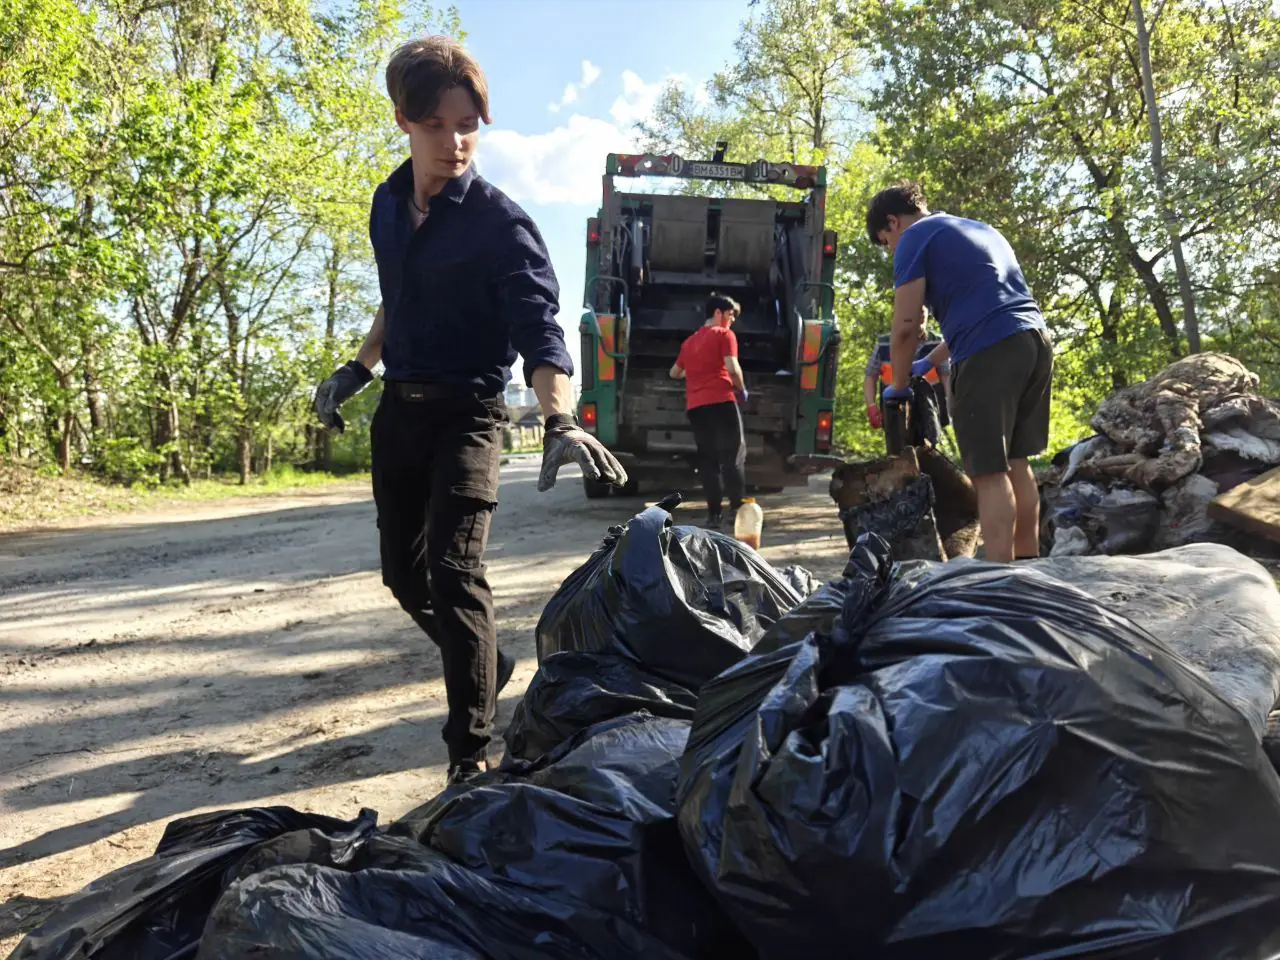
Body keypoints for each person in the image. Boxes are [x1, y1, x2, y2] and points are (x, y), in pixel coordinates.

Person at [311, 36, 626, 784]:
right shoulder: (388, 204)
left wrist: (558, 418)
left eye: (469, 125)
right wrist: (357, 369)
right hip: (401, 411)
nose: (455, 142)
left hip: (471, 415)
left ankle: (469, 753)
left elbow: (540, 332)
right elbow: (399, 297)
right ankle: (487, 659)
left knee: (456, 575)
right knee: (403, 577)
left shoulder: (500, 224)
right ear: (404, 121)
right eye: (438, 125)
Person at [866, 181, 1052, 563]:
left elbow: (904, 326)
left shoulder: (915, 238)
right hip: (1033, 341)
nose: (891, 251)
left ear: (893, 222)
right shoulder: (981, 230)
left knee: (988, 472)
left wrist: (899, 385)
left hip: (990, 353)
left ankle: (997, 579)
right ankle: (1029, 564)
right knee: (1017, 461)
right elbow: (987, 310)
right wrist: (930, 361)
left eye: (886, 242)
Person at [669, 293, 748, 529]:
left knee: (708, 461)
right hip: (722, 402)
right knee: (733, 457)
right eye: (730, 315)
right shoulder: (725, 335)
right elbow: (732, 368)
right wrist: (742, 389)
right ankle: (737, 511)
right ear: (718, 313)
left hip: (697, 407)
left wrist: (693, 371)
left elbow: (674, 373)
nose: (732, 320)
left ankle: (714, 515)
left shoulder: (689, 343)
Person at [863, 321, 950, 435]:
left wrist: (951, 403)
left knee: (929, 449)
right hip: (894, 410)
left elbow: (946, 376)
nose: (919, 320)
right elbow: (870, 375)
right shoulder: (884, 345)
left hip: (930, 413)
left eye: (922, 315)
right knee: (898, 449)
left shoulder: (937, 343)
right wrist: (871, 406)